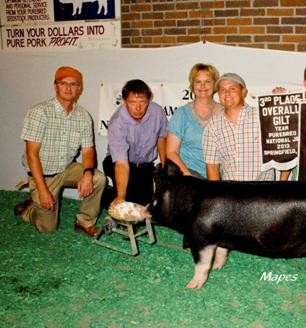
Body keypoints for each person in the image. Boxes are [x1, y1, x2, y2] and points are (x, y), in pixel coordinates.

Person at [14, 66, 106, 237]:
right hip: (43, 174)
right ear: (55, 86)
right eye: (63, 83)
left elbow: (88, 150)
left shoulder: (84, 116)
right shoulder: (39, 112)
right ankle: (29, 208)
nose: (69, 88)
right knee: (47, 228)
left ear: (80, 89)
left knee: (98, 178)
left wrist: (87, 174)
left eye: (74, 84)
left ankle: (84, 222)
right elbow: (31, 155)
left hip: (66, 168)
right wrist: (42, 191)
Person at [102, 79, 168, 207]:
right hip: (118, 163)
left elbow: (161, 138)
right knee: (129, 202)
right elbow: (121, 163)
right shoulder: (117, 122)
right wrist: (121, 196)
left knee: (146, 205)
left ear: (149, 100)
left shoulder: (157, 112)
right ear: (124, 102)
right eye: (133, 102)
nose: (138, 108)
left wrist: (165, 166)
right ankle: (107, 196)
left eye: (142, 102)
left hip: (144, 165)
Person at [203, 72, 275, 181]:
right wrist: (218, 196)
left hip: (262, 194)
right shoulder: (213, 125)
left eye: (232, 89)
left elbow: (285, 152)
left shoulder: (262, 117)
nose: (227, 93)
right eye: (222, 90)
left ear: (243, 92)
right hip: (230, 194)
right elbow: (212, 166)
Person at [166, 63, 221, 178]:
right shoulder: (182, 114)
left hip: (219, 178)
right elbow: (171, 152)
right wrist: (188, 176)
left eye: (207, 81)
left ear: (215, 84)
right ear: (192, 85)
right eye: (198, 82)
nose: (203, 86)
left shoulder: (224, 112)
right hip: (189, 176)